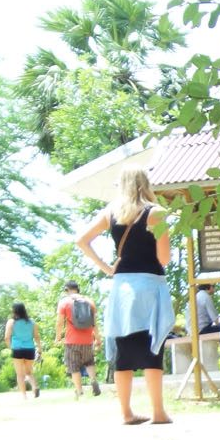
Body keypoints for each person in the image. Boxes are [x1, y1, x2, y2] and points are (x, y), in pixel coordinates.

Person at [75, 166, 173, 425]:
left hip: (121, 290)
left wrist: (107, 268)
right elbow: (164, 258)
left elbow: (81, 240)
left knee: (124, 353)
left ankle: (126, 413)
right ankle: (159, 412)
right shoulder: (156, 213)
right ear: (146, 183)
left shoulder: (110, 212)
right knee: (153, 349)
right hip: (150, 287)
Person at [54, 280, 101, 398]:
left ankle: (79, 391)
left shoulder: (64, 302)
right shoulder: (89, 302)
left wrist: (58, 337)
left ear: (67, 290)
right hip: (87, 340)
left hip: (71, 341)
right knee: (89, 362)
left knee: (74, 366)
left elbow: (59, 323)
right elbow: (94, 323)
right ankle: (93, 380)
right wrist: (98, 339)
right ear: (78, 289)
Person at [4, 302, 42, 399]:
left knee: (20, 374)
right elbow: (36, 336)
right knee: (28, 372)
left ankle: (24, 396)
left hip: (17, 349)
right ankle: (34, 387)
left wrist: (10, 347)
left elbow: (6, 337)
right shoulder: (31, 322)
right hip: (30, 349)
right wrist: (39, 348)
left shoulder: (11, 322)